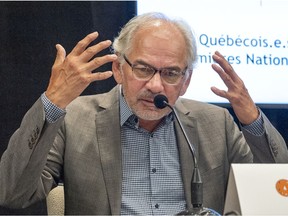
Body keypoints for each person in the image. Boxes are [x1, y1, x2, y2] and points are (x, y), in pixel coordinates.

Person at [0, 12, 287, 215]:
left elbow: (278, 189)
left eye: (171, 73)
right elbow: (13, 193)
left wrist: (252, 120)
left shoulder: (215, 123)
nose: (155, 85)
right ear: (118, 69)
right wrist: (52, 103)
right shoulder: (75, 119)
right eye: (143, 68)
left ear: (186, 81)